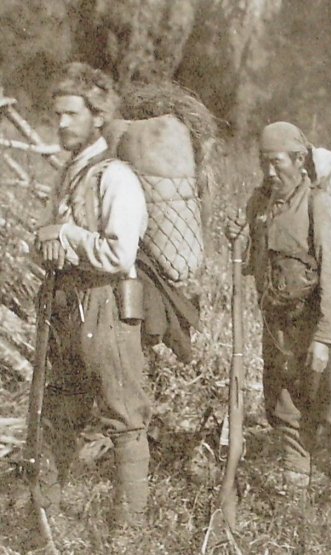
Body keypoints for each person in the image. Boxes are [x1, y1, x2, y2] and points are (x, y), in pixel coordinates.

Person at [32, 62, 151, 528]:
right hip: (66, 307)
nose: (61, 123)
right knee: (58, 412)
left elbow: (120, 254)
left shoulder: (114, 176)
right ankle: (48, 523)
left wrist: (68, 235)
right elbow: (51, 237)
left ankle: (131, 530)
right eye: (57, 114)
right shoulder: (68, 174)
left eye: (71, 114)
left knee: (124, 416)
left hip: (107, 305)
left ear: (97, 116)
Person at [226, 122, 331, 508]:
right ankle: (295, 491)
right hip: (279, 325)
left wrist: (325, 338)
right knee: (285, 405)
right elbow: (254, 266)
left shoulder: (317, 204)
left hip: (319, 322)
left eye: (277, 162)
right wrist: (239, 238)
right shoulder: (259, 204)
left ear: (299, 161)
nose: (269, 172)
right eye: (263, 162)